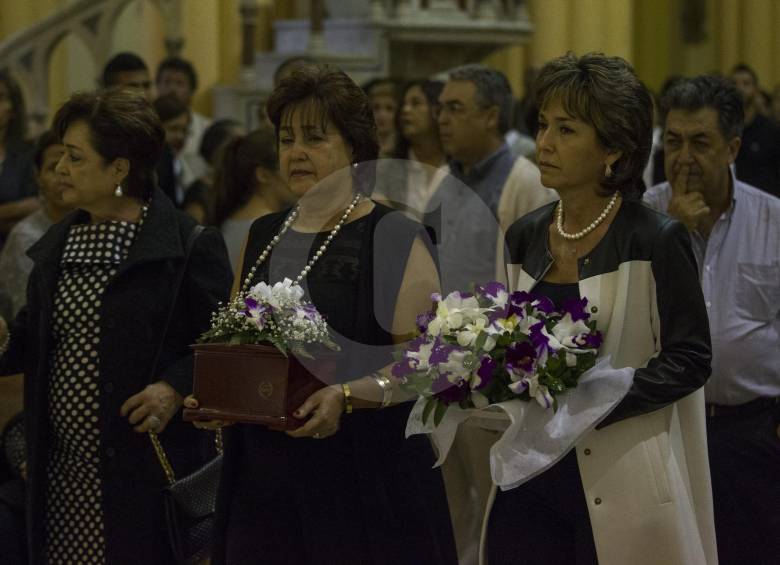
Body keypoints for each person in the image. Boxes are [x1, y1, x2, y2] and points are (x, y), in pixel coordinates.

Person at [194, 64, 457, 565]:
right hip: (265, 481)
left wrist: (347, 395)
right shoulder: (262, 233)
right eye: (286, 138)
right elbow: (237, 340)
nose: (296, 152)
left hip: (365, 477)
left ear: (354, 148)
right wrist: (219, 393)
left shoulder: (395, 235)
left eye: (314, 138)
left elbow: (429, 361)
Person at [498, 52, 715, 565]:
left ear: (613, 149)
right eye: (543, 124)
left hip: (624, 474)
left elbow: (691, 358)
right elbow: (508, 339)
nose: (544, 142)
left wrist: (600, 394)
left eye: (566, 129)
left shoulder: (655, 238)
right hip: (531, 475)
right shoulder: (524, 234)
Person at [0, 87, 233, 564]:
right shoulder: (58, 246)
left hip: (145, 473)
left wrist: (173, 387)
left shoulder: (187, 244)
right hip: (63, 476)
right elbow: (30, 342)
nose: (60, 168)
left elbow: (224, 343)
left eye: (75, 157)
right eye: (60, 155)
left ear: (119, 169)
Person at [643, 74, 780, 565]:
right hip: (663, 432)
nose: (683, 158)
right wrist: (670, 234)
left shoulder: (773, 221)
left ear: (732, 148)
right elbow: (627, 317)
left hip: (751, 433)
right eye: (673, 142)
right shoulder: (641, 219)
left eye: (700, 143)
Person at [423, 64, 555, 564]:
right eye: (441, 109)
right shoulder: (442, 182)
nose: (442, 119)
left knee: (498, 507)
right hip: (443, 371)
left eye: (455, 109)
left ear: (491, 116)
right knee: (449, 506)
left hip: (495, 376)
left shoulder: (525, 182)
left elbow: (536, 285)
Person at [0, 130, 73, 321]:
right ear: (37, 176)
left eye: (74, 162)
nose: (64, 174)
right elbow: (29, 314)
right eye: (53, 167)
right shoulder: (25, 236)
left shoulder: (97, 225)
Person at [212, 126, 293, 270]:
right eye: (290, 169)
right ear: (263, 175)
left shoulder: (230, 223)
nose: (298, 177)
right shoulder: (270, 230)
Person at [373, 80, 449, 219]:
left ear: (438, 110)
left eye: (416, 103)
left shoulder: (461, 168)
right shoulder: (383, 171)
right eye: (403, 104)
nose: (405, 110)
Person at [156, 56, 211, 186]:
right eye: (166, 82)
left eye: (179, 83)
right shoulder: (145, 125)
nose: (172, 89)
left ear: (191, 90)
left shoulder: (206, 128)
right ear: (157, 86)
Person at [0, 71, 38, 250]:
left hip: (18, 249)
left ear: (13, 108)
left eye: (0, 97)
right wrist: (15, 210)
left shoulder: (29, 155)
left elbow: (40, 204)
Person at [730, 63, 780, 197]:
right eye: (734, 83)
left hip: (765, 202)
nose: (740, 88)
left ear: (756, 89)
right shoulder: (723, 129)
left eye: (746, 84)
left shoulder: (771, 130)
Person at [182, 118, 244, 224]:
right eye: (238, 145)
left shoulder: (237, 187)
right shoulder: (200, 192)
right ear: (217, 149)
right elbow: (193, 231)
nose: (244, 151)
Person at [153, 94, 190, 207]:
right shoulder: (155, 165)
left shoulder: (178, 160)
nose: (180, 136)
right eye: (173, 129)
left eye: (184, 130)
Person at [364, 78, 401, 158]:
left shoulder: (406, 148)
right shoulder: (361, 146)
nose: (382, 114)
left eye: (389, 108)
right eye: (376, 107)